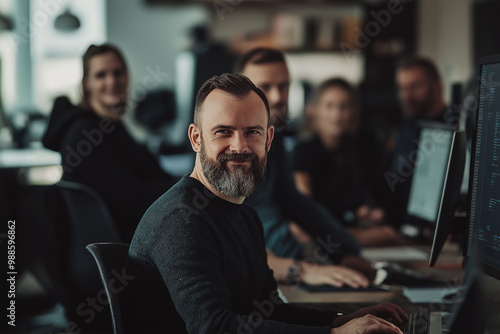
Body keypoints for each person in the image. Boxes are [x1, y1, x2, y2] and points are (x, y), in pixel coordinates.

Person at [126, 73, 407, 333]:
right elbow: (215, 328)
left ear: (269, 139)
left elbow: (268, 312)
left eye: (252, 132)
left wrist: (343, 319)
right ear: (196, 139)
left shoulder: (247, 217)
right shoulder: (182, 220)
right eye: (223, 132)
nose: (240, 146)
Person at [235, 48, 375, 284]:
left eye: (284, 86)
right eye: (265, 87)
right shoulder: (234, 149)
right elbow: (234, 232)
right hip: (263, 273)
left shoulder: (273, 136)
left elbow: (294, 201)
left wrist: (346, 251)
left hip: (289, 265)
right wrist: (303, 269)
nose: (278, 96)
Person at [42, 43, 177, 242]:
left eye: (117, 72)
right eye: (101, 75)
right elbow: (132, 198)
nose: (112, 81)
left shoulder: (109, 126)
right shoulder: (85, 134)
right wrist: (190, 189)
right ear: (87, 84)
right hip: (128, 246)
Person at [293, 78, 399, 247]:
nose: (337, 115)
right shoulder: (303, 151)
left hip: (345, 232)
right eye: (329, 106)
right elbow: (305, 217)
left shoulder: (362, 148)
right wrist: (363, 235)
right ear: (314, 110)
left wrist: (368, 212)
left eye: (344, 107)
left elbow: (378, 196)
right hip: (323, 240)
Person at [388, 56, 448, 223]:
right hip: (402, 230)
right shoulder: (407, 124)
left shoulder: (455, 127)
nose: (406, 96)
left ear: (436, 87)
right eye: (401, 88)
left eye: (414, 87)